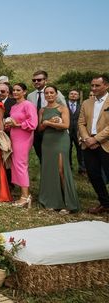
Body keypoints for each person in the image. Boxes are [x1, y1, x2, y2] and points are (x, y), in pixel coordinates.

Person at [37, 85, 79, 213]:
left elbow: (66, 125)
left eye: (51, 93)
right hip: (47, 141)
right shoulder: (42, 110)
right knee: (49, 170)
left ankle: (68, 203)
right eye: (47, 93)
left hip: (61, 140)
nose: (49, 95)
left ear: (56, 94)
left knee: (61, 169)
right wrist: (45, 124)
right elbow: (39, 129)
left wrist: (49, 123)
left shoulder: (63, 108)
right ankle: (51, 200)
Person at [78, 75, 109, 214]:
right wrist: (86, 138)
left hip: (105, 143)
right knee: (93, 175)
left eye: (97, 85)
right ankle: (105, 203)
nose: (93, 88)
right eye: (92, 85)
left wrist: (96, 139)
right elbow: (81, 122)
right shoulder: (86, 103)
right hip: (88, 144)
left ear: (106, 86)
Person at [7, 83, 38, 208]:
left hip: (24, 137)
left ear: (24, 92)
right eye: (13, 90)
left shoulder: (28, 105)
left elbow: (33, 123)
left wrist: (17, 125)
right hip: (14, 136)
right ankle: (23, 193)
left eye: (18, 90)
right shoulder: (14, 107)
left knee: (20, 164)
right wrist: (9, 125)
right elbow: (14, 122)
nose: (15, 92)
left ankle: (25, 196)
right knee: (16, 164)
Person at [27, 70, 65, 162]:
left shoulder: (56, 93)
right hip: (37, 130)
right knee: (40, 155)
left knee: (53, 156)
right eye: (34, 80)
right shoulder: (30, 96)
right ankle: (45, 173)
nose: (36, 82)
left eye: (39, 80)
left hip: (52, 129)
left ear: (46, 80)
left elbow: (64, 109)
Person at [66, 89, 85, 175]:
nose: (73, 95)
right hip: (66, 132)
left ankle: (82, 168)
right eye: (71, 93)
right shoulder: (63, 106)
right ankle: (68, 167)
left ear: (78, 96)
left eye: (75, 94)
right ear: (68, 95)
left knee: (80, 150)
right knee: (67, 150)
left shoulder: (81, 106)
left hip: (78, 132)